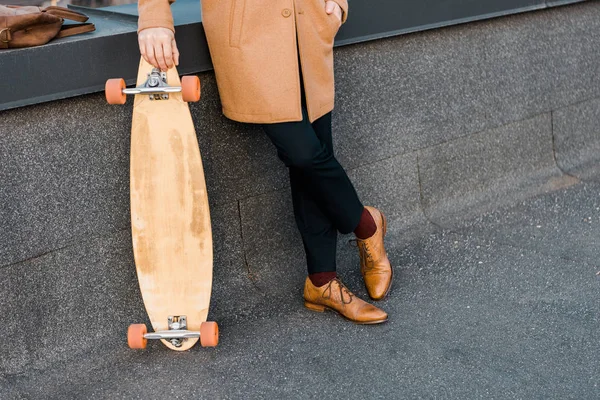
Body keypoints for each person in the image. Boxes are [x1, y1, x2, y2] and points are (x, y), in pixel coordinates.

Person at [137, 0, 393, 324]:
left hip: (309, 23)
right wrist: (154, 18)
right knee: (303, 153)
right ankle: (366, 224)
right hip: (251, 37)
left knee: (314, 153)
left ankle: (321, 281)